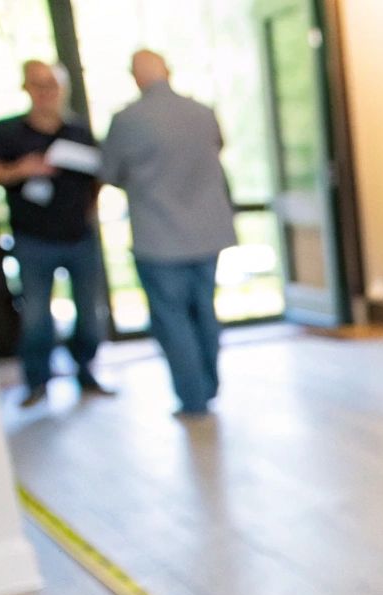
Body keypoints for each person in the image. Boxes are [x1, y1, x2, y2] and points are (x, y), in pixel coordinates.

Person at [98, 50, 238, 418]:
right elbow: (217, 151)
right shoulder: (202, 113)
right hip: (207, 233)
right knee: (204, 310)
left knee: (172, 318)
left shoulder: (127, 120)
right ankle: (207, 385)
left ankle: (193, 398)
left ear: (135, 77)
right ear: (168, 72)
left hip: (158, 236)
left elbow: (109, 172)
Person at [0, 60, 113, 408]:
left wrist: (90, 211)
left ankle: (86, 371)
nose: (46, 93)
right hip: (33, 240)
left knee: (89, 312)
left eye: (52, 86)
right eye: (38, 85)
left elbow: (98, 177)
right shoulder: (7, 132)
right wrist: (19, 170)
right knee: (37, 315)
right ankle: (37, 381)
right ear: (27, 88)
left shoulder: (79, 132)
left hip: (79, 238)